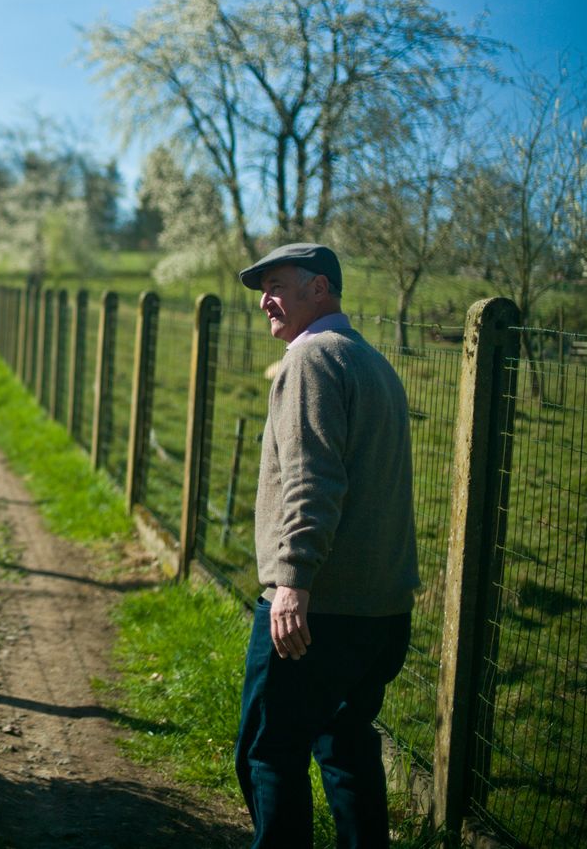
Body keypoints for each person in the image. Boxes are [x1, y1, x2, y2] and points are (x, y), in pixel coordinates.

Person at [232, 242, 419, 849]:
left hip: (317, 610)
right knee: (345, 744)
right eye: (263, 288)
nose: (265, 300)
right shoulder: (371, 361)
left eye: (278, 284)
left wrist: (292, 581)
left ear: (321, 289)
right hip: (380, 611)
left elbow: (314, 482)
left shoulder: (311, 361)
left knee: (269, 750)